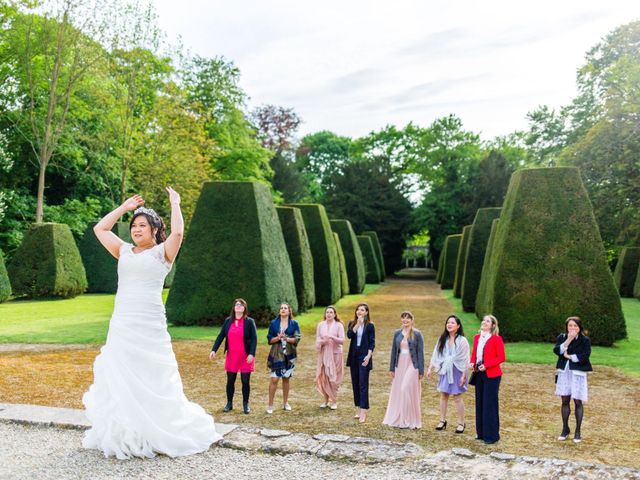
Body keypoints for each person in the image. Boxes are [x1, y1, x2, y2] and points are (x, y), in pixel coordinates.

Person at [83, 189, 222, 459]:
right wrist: (125, 207)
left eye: (142, 225)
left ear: (154, 229)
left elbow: (178, 234)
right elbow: (100, 228)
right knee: (121, 372)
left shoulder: (162, 254)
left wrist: (176, 204)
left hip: (149, 323)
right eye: (134, 226)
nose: (136, 229)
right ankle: (127, 430)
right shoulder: (122, 250)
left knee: (152, 373)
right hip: (122, 322)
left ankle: (157, 428)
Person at [209, 298, 258, 414]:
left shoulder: (249, 322)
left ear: (244, 308)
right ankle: (229, 403)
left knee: (245, 381)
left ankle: (245, 404)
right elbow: (221, 336)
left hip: (246, 356)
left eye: (241, 305)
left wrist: (252, 354)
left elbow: (254, 339)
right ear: (234, 307)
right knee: (230, 380)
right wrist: (213, 350)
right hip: (232, 356)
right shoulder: (228, 321)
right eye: (237, 304)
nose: (238, 306)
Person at [427, 315, 470, 433]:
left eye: (452, 323)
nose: (449, 324)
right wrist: (430, 368)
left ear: (458, 326)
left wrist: (463, 376)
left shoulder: (462, 341)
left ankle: (461, 423)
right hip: (445, 370)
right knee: (443, 395)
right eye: (448, 323)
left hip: (458, 370)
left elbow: (465, 359)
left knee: (457, 397)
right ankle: (442, 420)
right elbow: (436, 354)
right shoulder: (443, 339)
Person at [383, 311, 424, 429]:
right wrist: (392, 368)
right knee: (398, 391)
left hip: (412, 365)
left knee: (405, 388)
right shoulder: (397, 333)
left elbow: (420, 353)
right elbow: (393, 351)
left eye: (408, 318)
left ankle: (409, 418)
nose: (405, 320)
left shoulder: (417, 334)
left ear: (412, 320)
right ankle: (400, 416)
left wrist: (421, 370)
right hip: (399, 364)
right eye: (403, 318)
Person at [553, 316, 592, 443]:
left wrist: (570, 356)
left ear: (579, 327)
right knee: (565, 401)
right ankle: (565, 429)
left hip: (577, 373)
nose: (572, 328)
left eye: (575, 326)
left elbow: (585, 355)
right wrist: (568, 340)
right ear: (567, 327)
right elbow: (557, 351)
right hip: (564, 372)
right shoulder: (562, 337)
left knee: (577, 402)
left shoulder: (584, 340)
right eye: (570, 325)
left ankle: (578, 431)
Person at [469, 314, 505, 445]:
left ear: (493, 325)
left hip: (492, 375)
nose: (484, 322)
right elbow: (474, 354)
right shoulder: (477, 337)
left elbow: (501, 357)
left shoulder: (496, 339)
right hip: (479, 373)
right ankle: (481, 433)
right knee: (480, 402)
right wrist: (472, 362)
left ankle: (492, 436)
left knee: (489, 404)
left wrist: (487, 365)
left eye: (487, 321)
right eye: (484, 320)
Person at [266, 303, 301, 414]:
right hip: (277, 354)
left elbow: (297, 339)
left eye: (285, 308)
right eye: (281, 308)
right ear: (279, 311)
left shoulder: (294, 323)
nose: (283, 309)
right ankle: (270, 405)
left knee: (286, 378)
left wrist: (287, 338)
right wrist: (278, 338)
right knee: (274, 379)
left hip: (290, 355)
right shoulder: (274, 323)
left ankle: (285, 403)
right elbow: (269, 340)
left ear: (289, 311)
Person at [346, 303, 375, 423]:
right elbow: (349, 335)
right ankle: (358, 408)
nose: (359, 311)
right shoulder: (352, 324)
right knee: (355, 383)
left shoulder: (370, 326)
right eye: (358, 310)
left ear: (366, 312)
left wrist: (368, 356)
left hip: (364, 356)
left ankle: (363, 411)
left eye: (362, 310)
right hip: (354, 356)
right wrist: (358, 324)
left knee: (363, 384)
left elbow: (372, 342)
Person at [315, 306, 345, 410]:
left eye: (331, 312)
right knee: (325, 377)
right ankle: (326, 400)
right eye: (327, 312)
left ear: (335, 314)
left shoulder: (339, 325)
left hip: (336, 354)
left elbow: (342, 340)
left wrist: (332, 338)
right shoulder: (320, 325)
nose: (329, 314)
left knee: (334, 378)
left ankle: (334, 401)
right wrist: (323, 341)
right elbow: (317, 339)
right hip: (324, 353)